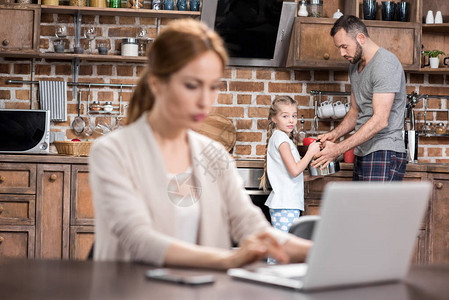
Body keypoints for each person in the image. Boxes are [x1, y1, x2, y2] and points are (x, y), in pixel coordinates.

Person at [89, 19, 311, 270]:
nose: (205, 100)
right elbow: (139, 240)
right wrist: (230, 259)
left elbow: (253, 226)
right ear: (157, 84)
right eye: (192, 85)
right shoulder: (113, 152)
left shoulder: (213, 154)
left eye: (213, 86)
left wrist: (323, 250)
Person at [313, 15, 407, 181]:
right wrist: (335, 134)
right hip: (363, 150)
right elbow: (355, 111)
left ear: (361, 38)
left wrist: (338, 149)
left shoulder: (385, 64)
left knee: (374, 208)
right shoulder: (355, 66)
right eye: (339, 48)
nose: (342, 53)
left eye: (344, 46)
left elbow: (380, 120)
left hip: (384, 151)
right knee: (360, 208)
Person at [260, 96, 320, 234]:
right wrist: (310, 152)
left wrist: (312, 176)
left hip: (285, 204)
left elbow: (289, 175)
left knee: (283, 247)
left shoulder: (280, 137)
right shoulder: (281, 139)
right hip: (285, 204)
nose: (291, 120)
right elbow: (294, 171)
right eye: (285, 116)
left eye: (294, 115)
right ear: (274, 118)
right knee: (285, 249)